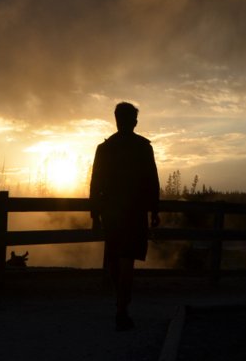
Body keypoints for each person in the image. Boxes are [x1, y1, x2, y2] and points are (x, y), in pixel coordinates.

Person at [89, 101, 161, 331]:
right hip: (135, 211)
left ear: (117, 119)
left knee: (115, 257)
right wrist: (155, 211)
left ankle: (120, 303)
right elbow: (152, 180)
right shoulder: (143, 147)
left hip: (112, 211)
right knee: (126, 259)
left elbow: (96, 182)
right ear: (134, 122)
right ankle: (122, 306)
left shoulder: (105, 148)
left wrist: (95, 212)